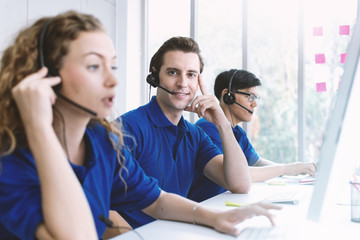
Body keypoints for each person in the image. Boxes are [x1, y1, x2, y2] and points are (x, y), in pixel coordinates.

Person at [0, 11, 281, 240]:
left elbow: (156, 199)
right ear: (46, 75)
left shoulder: (101, 140)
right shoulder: (12, 161)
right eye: (94, 67)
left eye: (113, 66)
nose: (112, 81)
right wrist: (37, 125)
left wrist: (215, 217)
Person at [115, 37, 253, 228]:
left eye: (191, 75)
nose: (182, 83)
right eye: (173, 72)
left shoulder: (194, 135)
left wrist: (222, 123)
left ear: (199, 81)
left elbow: (240, 184)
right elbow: (97, 203)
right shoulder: (127, 128)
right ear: (155, 76)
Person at [187, 69, 317, 202]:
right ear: (228, 96)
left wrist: (295, 170)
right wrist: (285, 169)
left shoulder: (237, 132)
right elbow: (240, 174)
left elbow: (257, 162)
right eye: (250, 97)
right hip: (206, 205)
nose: (254, 104)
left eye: (255, 98)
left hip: (223, 203)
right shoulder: (207, 127)